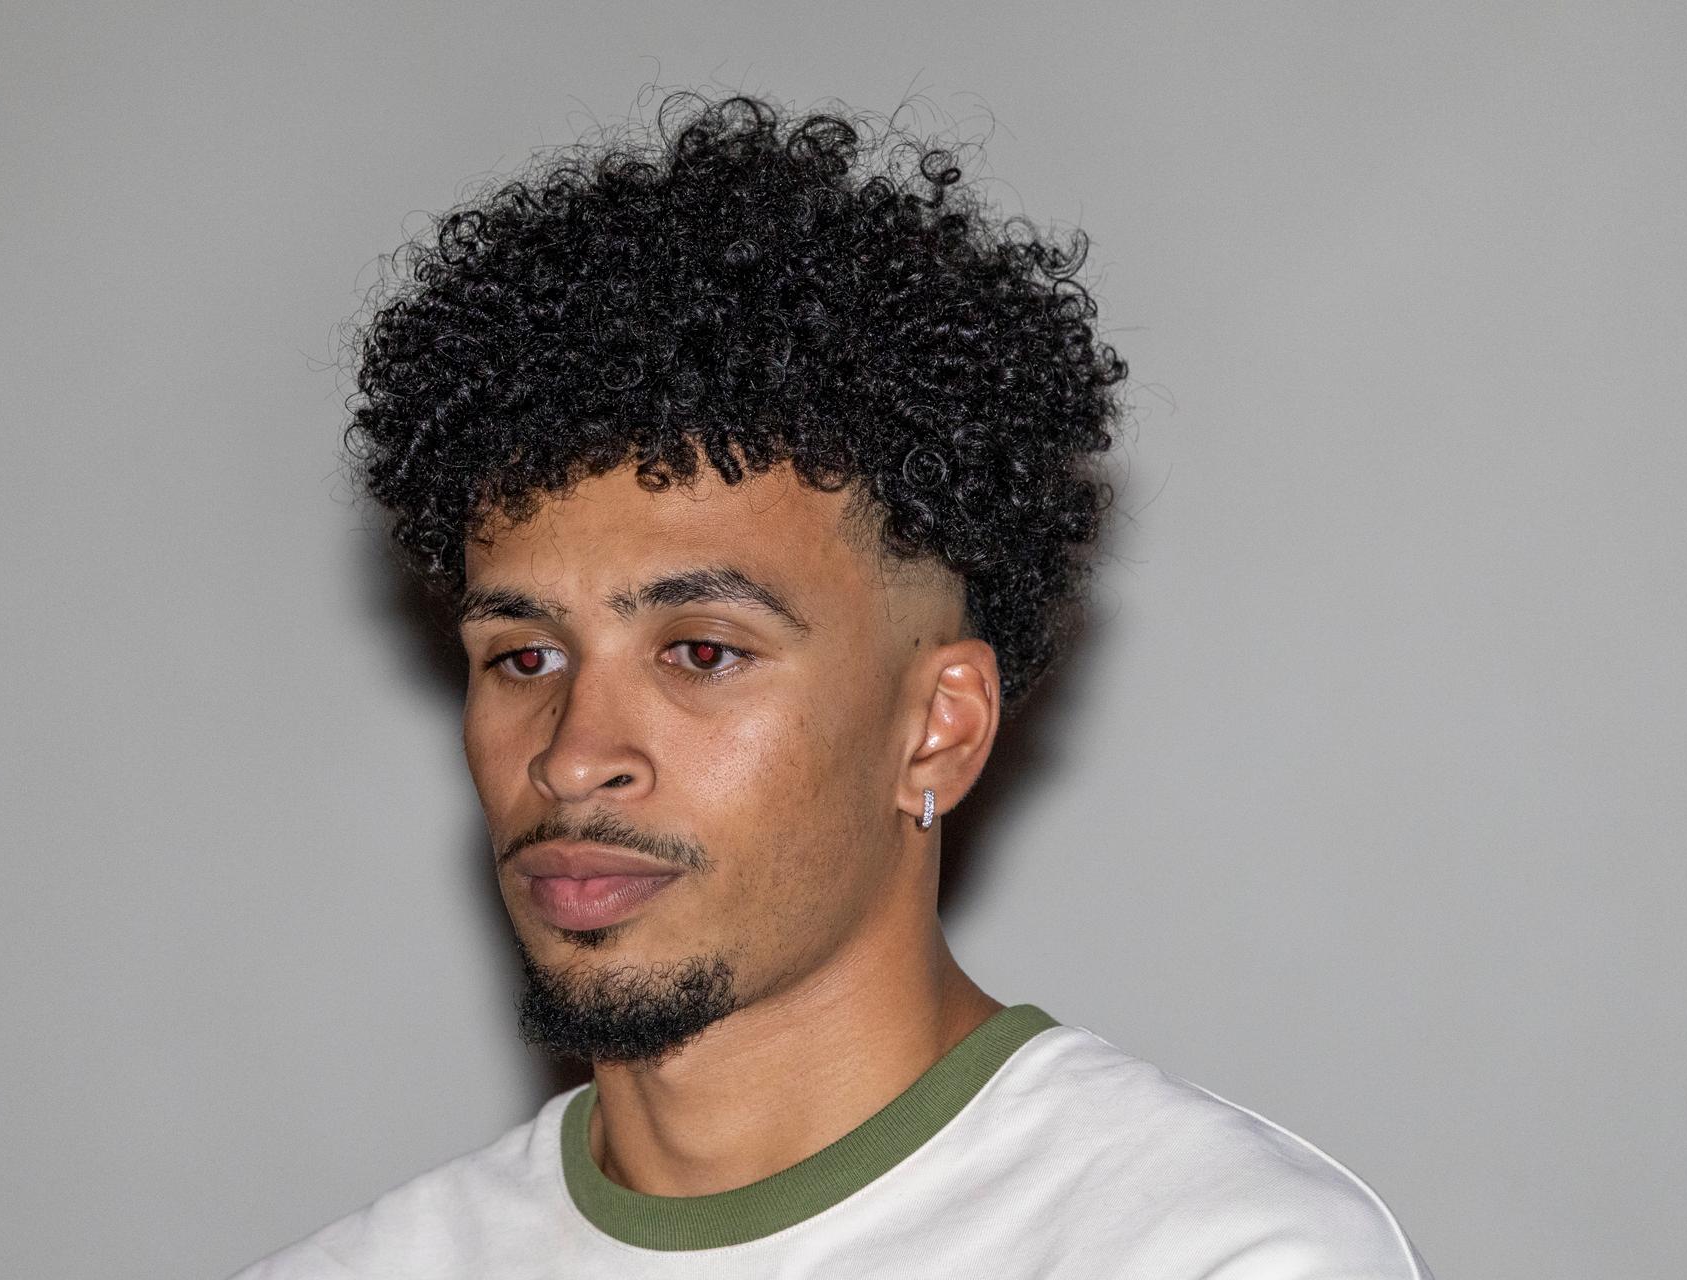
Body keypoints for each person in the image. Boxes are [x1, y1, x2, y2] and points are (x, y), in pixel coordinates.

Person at [233, 90, 1433, 1278]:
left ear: (938, 728)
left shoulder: (1213, 1251)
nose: (570, 752)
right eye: (524, 657)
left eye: (702, 651)